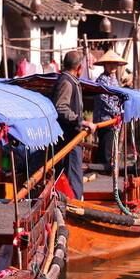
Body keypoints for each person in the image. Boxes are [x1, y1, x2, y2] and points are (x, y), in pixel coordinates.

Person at [53, 50, 96, 198]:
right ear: (79, 68)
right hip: (68, 138)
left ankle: (73, 199)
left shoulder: (72, 81)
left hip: (73, 136)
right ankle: (74, 202)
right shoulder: (66, 82)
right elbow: (61, 107)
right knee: (73, 171)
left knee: (74, 171)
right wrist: (80, 121)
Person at [93, 49, 128, 166]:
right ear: (105, 65)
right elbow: (104, 99)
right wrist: (116, 111)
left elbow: (118, 96)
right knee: (105, 145)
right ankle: (103, 167)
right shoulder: (102, 79)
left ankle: (107, 165)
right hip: (105, 119)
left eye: (115, 64)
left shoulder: (114, 79)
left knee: (110, 145)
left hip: (113, 119)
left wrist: (121, 109)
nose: (113, 66)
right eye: (110, 64)